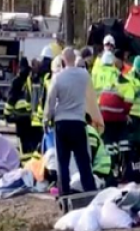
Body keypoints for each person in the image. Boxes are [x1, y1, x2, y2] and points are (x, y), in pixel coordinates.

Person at [45, 47, 103, 196]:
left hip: (62, 123)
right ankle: (90, 192)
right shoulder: (84, 76)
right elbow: (91, 98)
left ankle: (64, 194)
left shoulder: (58, 77)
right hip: (78, 122)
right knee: (83, 161)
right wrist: (95, 118)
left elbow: (50, 101)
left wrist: (47, 119)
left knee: (62, 163)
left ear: (63, 60)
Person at [94, 51, 134, 178]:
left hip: (102, 112)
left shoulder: (96, 73)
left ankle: (111, 168)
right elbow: (128, 100)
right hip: (117, 114)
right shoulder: (119, 77)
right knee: (123, 142)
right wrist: (126, 113)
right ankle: (124, 169)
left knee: (109, 143)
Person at [5, 57, 37, 161]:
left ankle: (25, 165)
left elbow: (10, 99)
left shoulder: (17, 81)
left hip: (20, 118)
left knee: (23, 145)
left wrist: (7, 115)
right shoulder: (32, 80)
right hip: (31, 118)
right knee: (32, 144)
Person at [86, 115, 113, 185]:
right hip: (103, 171)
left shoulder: (89, 131)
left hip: (99, 172)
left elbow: (90, 154)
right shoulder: (89, 131)